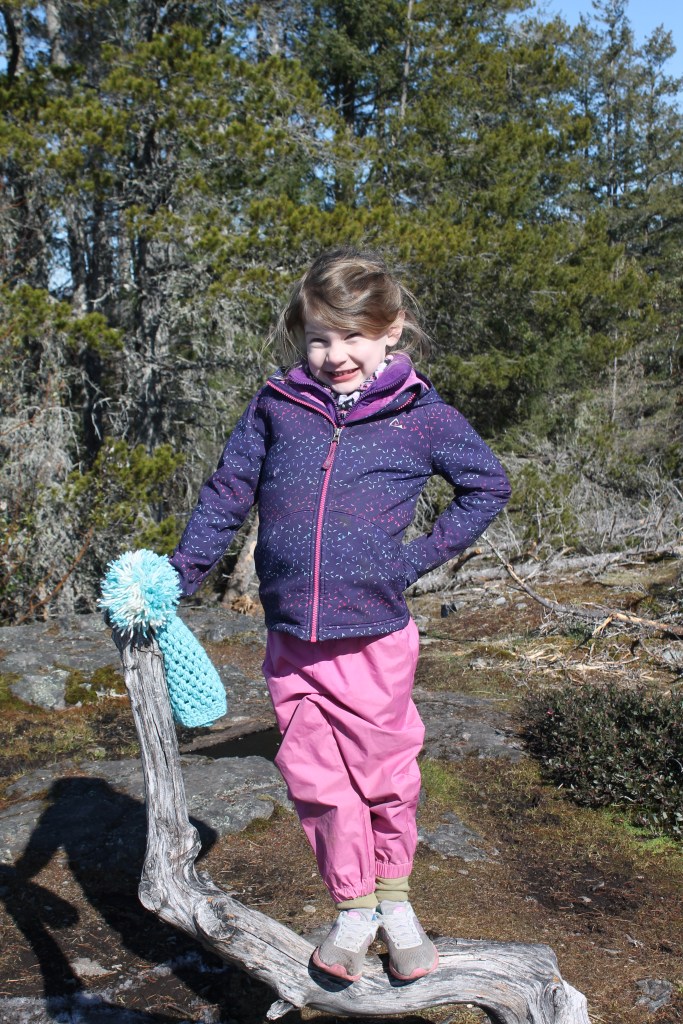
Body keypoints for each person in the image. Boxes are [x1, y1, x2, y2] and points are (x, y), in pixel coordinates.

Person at [169, 248, 511, 983]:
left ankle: (397, 904)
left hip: (375, 637)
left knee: (384, 775)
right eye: (319, 338)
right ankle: (354, 908)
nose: (335, 355)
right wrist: (180, 575)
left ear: (393, 332)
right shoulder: (276, 405)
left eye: (353, 335)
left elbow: (487, 485)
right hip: (291, 637)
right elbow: (228, 491)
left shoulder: (421, 416)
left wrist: (412, 560)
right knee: (316, 780)